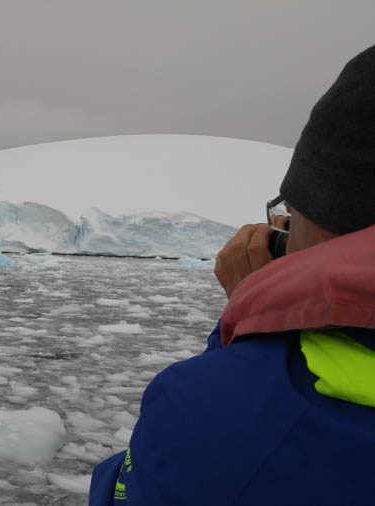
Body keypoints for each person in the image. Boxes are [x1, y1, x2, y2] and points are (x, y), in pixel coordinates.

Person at [90, 44, 375, 505]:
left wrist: (255, 319)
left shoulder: (218, 411)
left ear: (324, 215)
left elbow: (129, 488)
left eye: (291, 212)